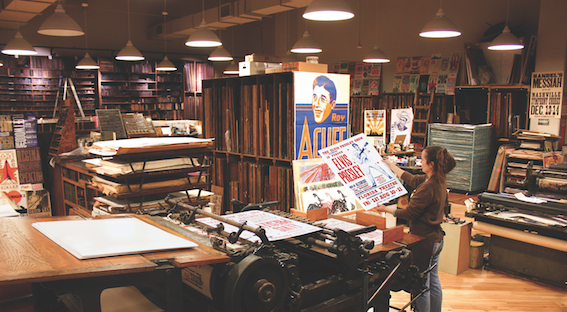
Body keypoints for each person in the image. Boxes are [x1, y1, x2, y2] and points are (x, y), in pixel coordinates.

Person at [373, 145, 456, 312]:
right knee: (432, 280)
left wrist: (386, 209)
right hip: (436, 239)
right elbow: (410, 178)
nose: (420, 162)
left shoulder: (428, 187)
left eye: (423, 159)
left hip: (424, 241)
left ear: (431, 164)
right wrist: (390, 165)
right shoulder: (435, 180)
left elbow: (409, 213)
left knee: (420, 284)